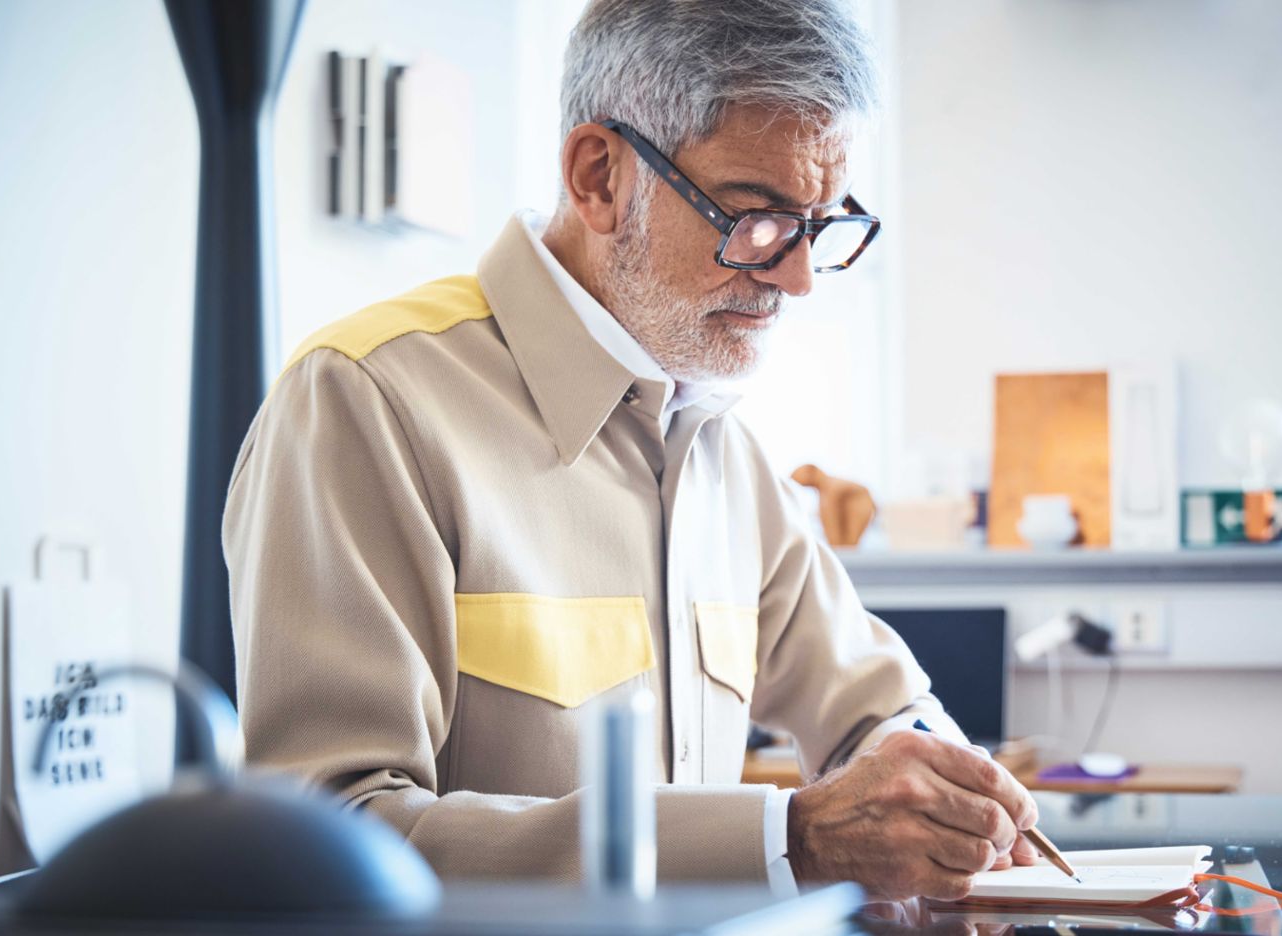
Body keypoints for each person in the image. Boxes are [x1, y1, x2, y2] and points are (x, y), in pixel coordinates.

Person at [223, 0, 1037, 902]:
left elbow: (875, 710)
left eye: (819, 225)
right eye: (758, 219)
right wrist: (789, 836)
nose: (800, 278)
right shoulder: (366, 401)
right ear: (599, 176)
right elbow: (326, 840)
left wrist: (951, 794)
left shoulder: (718, 440)